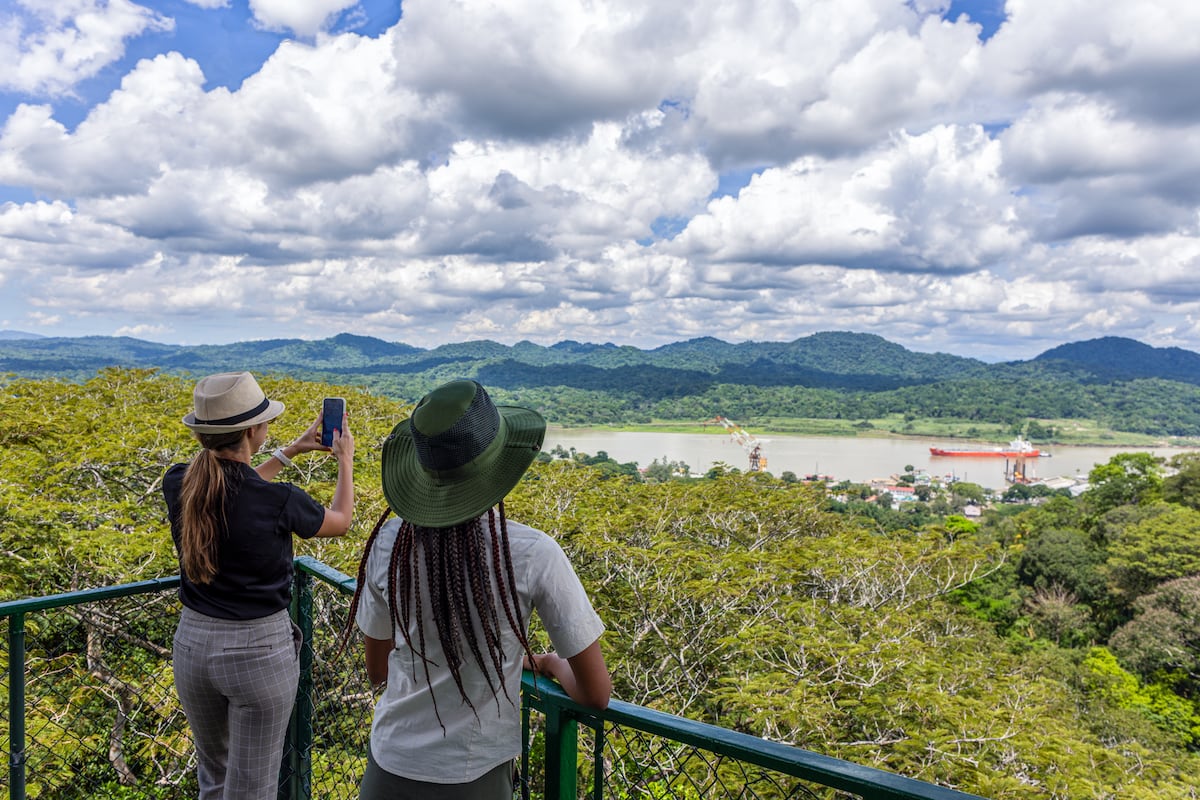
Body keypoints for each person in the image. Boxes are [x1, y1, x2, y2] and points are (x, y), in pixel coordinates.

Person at [348, 379, 611, 800]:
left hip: (389, 768)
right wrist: (549, 664)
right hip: (474, 774)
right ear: (500, 468)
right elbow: (596, 694)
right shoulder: (532, 554)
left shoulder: (388, 544)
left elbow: (377, 670)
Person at [163, 371, 355, 800]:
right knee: (252, 787)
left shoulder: (180, 482)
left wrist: (293, 450)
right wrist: (345, 458)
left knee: (213, 777)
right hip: (257, 653)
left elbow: (233, 486)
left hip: (193, 646)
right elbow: (340, 522)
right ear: (253, 431)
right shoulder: (280, 500)